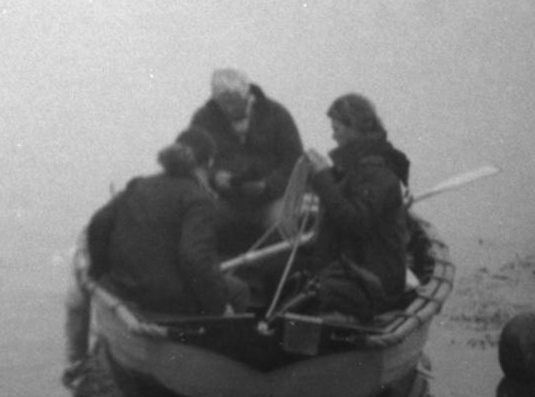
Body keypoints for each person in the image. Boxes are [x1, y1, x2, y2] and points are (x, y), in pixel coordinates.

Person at [85, 128, 249, 318]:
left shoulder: (138, 185)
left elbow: (98, 225)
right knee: (239, 291)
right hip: (168, 299)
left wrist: (99, 274)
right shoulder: (199, 199)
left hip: (124, 288)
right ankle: (218, 340)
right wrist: (219, 307)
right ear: (208, 162)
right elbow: (194, 259)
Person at [295, 93, 411, 322]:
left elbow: (355, 221)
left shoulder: (379, 173)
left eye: (336, 129)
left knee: (310, 299)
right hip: (354, 267)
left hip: (375, 279)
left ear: (353, 128)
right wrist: (321, 178)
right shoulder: (355, 167)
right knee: (286, 276)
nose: (333, 136)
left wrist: (324, 178)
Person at [188, 68, 304, 256]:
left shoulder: (277, 114)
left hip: (272, 200)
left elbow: (294, 161)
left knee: (282, 226)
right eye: (223, 103)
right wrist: (215, 178)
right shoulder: (203, 119)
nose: (230, 108)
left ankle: (278, 277)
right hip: (226, 201)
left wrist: (267, 186)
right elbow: (193, 163)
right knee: (199, 223)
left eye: (234, 102)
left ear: (247, 95)